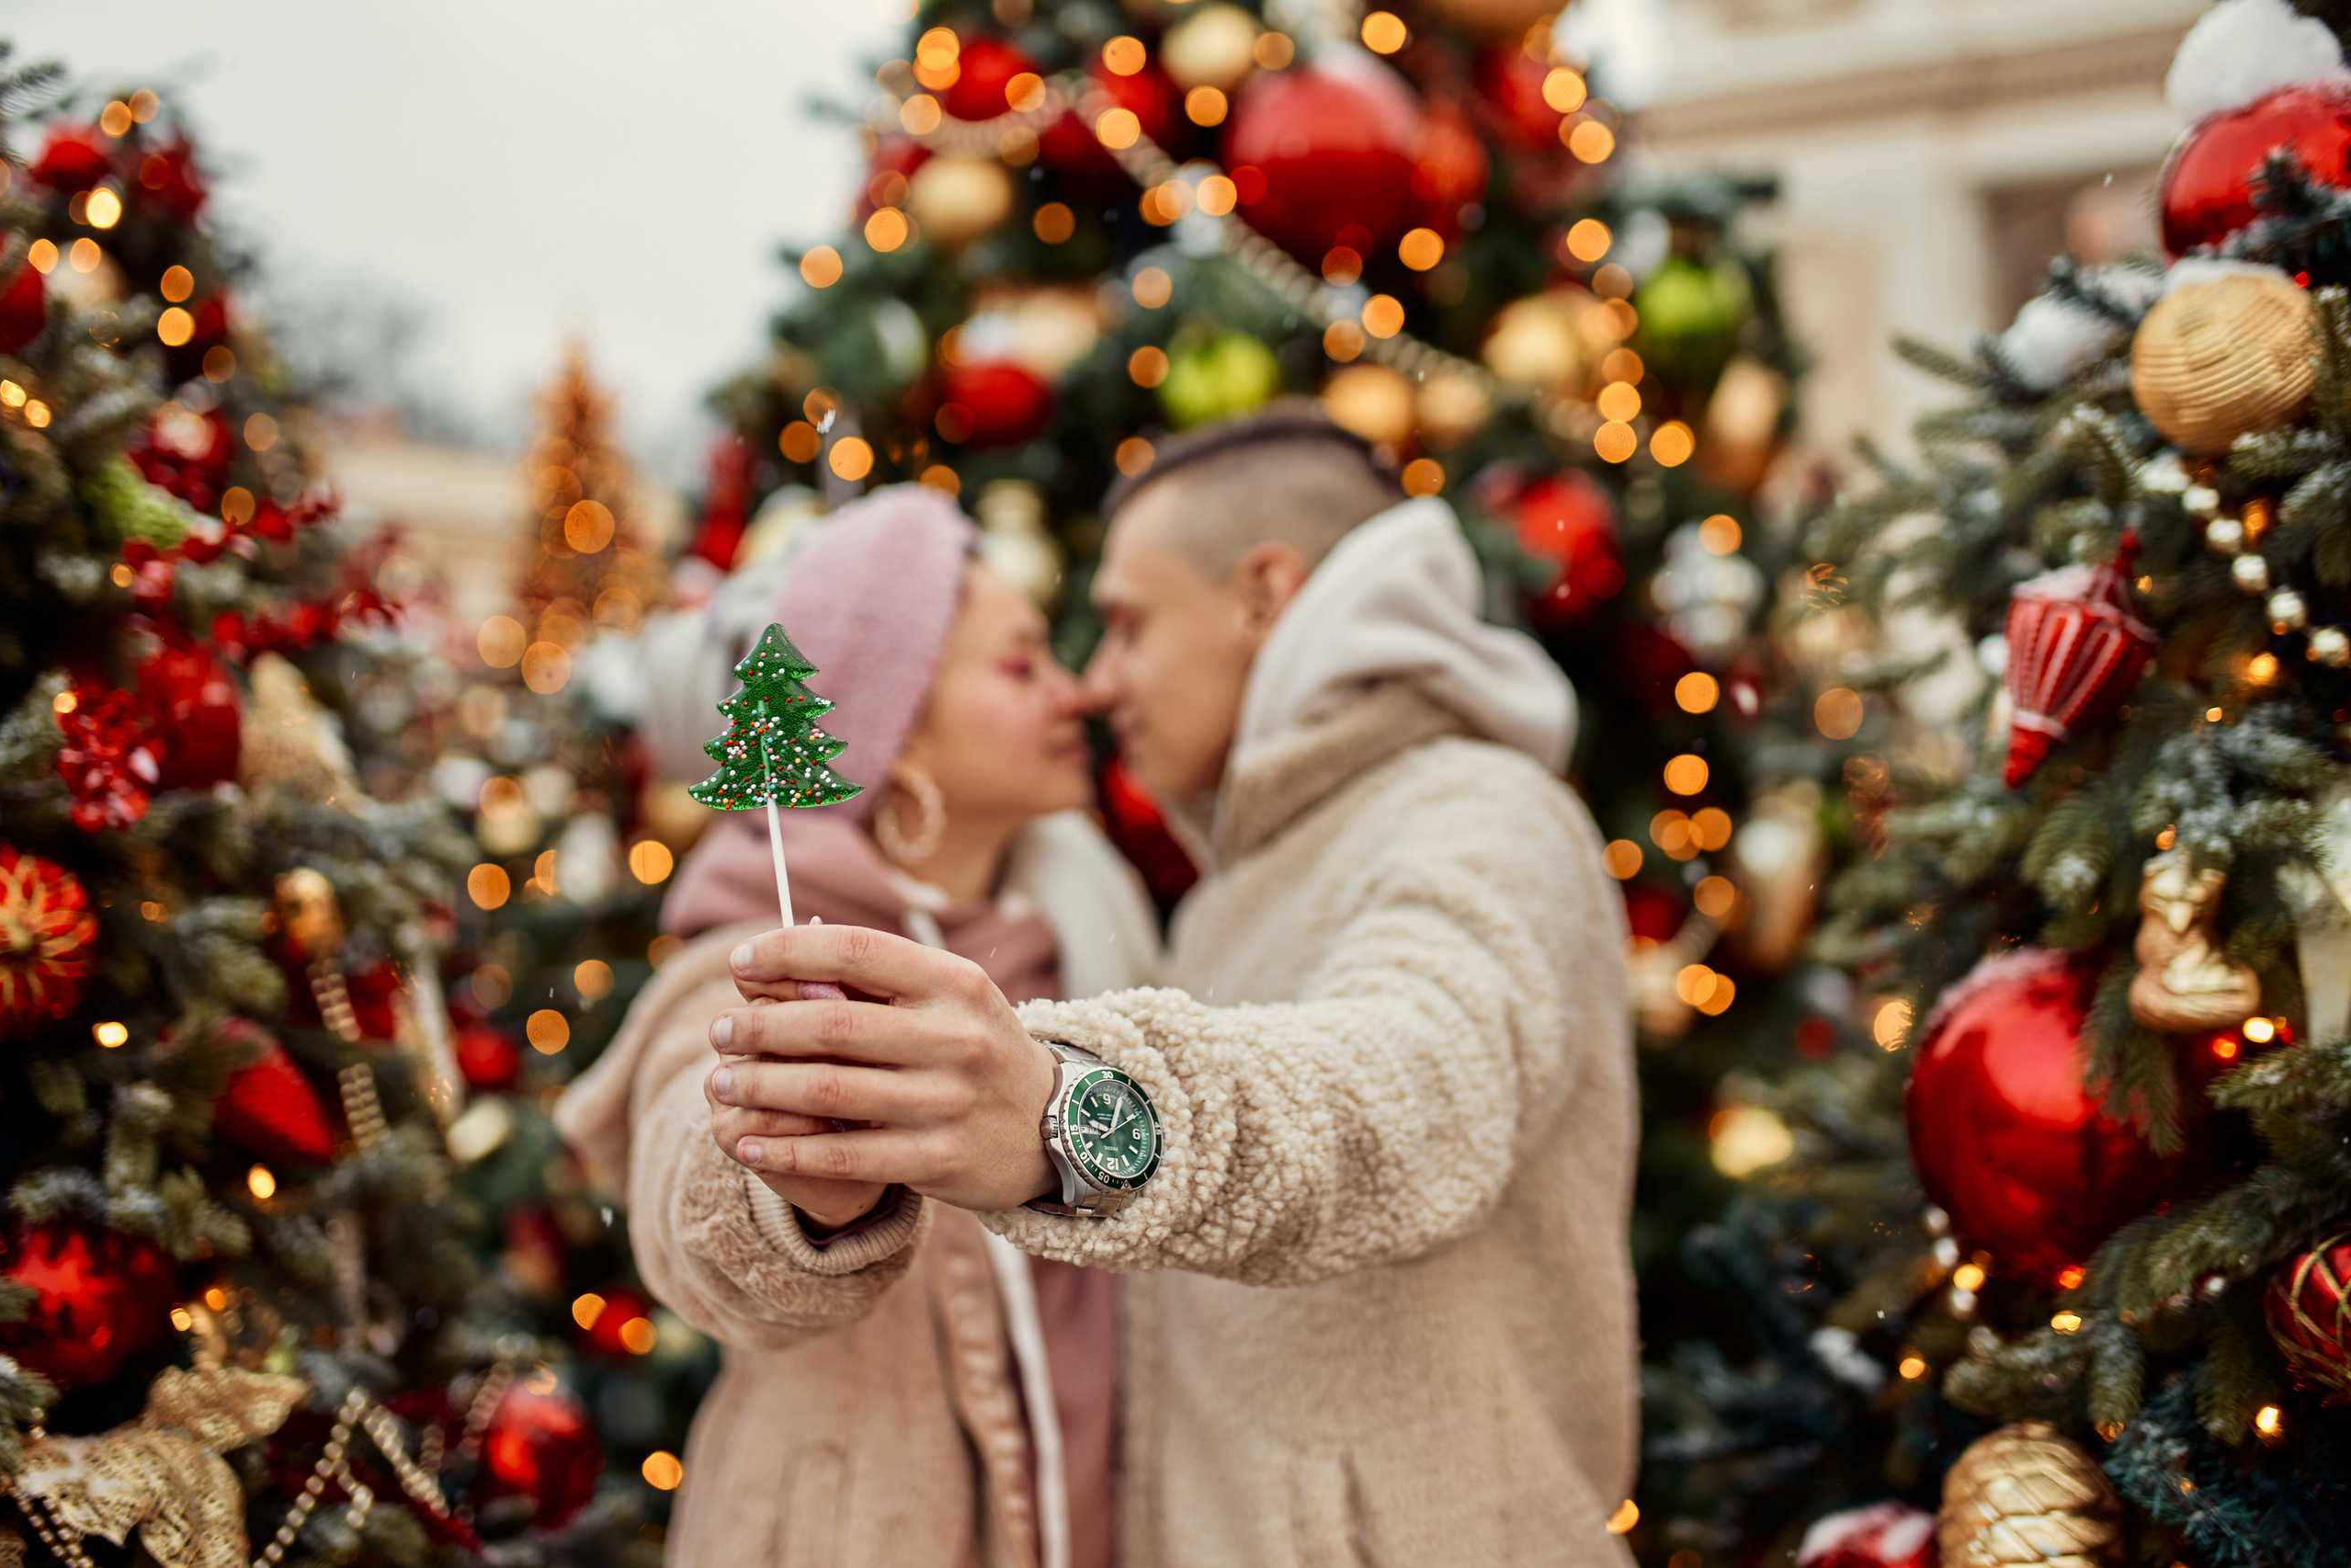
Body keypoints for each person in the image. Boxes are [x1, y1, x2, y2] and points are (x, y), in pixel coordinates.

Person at [704, 406, 1639, 1566]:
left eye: (1125, 625)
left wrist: (1063, 1113)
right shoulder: (1223, 892)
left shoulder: (1478, 816)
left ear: (1262, 593)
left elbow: (1414, 1091)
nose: (1096, 685)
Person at [558, 485, 1160, 1568]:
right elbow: (687, 1165)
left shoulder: (1099, 932)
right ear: (899, 738)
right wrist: (795, 1187)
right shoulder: (760, 956)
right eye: (1022, 666)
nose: (1077, 693)